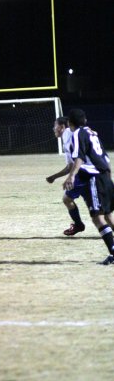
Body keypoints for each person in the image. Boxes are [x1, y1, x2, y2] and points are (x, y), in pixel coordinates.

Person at [64, 108, 114, 265]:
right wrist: (108, 178)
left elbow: (79, 156)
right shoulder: (93, 133)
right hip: (105, 175)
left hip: (95, 178)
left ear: (69, 123)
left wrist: (71, 176)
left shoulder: (78, 133)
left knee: (97, 218)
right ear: (85, 120)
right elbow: (105, 157)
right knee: (108, 216)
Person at [46, 116, 85, 235]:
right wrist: (54, 177)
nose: (53, 128)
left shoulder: (69, 134)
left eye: (55, 125)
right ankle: (78, 225)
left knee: (68, 199)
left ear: (62, 127)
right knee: (68, 199)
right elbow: (70, 166)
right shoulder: (67, 137)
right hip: (82, 172)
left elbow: (73, 164)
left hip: (83, 173)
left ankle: (78, 225)